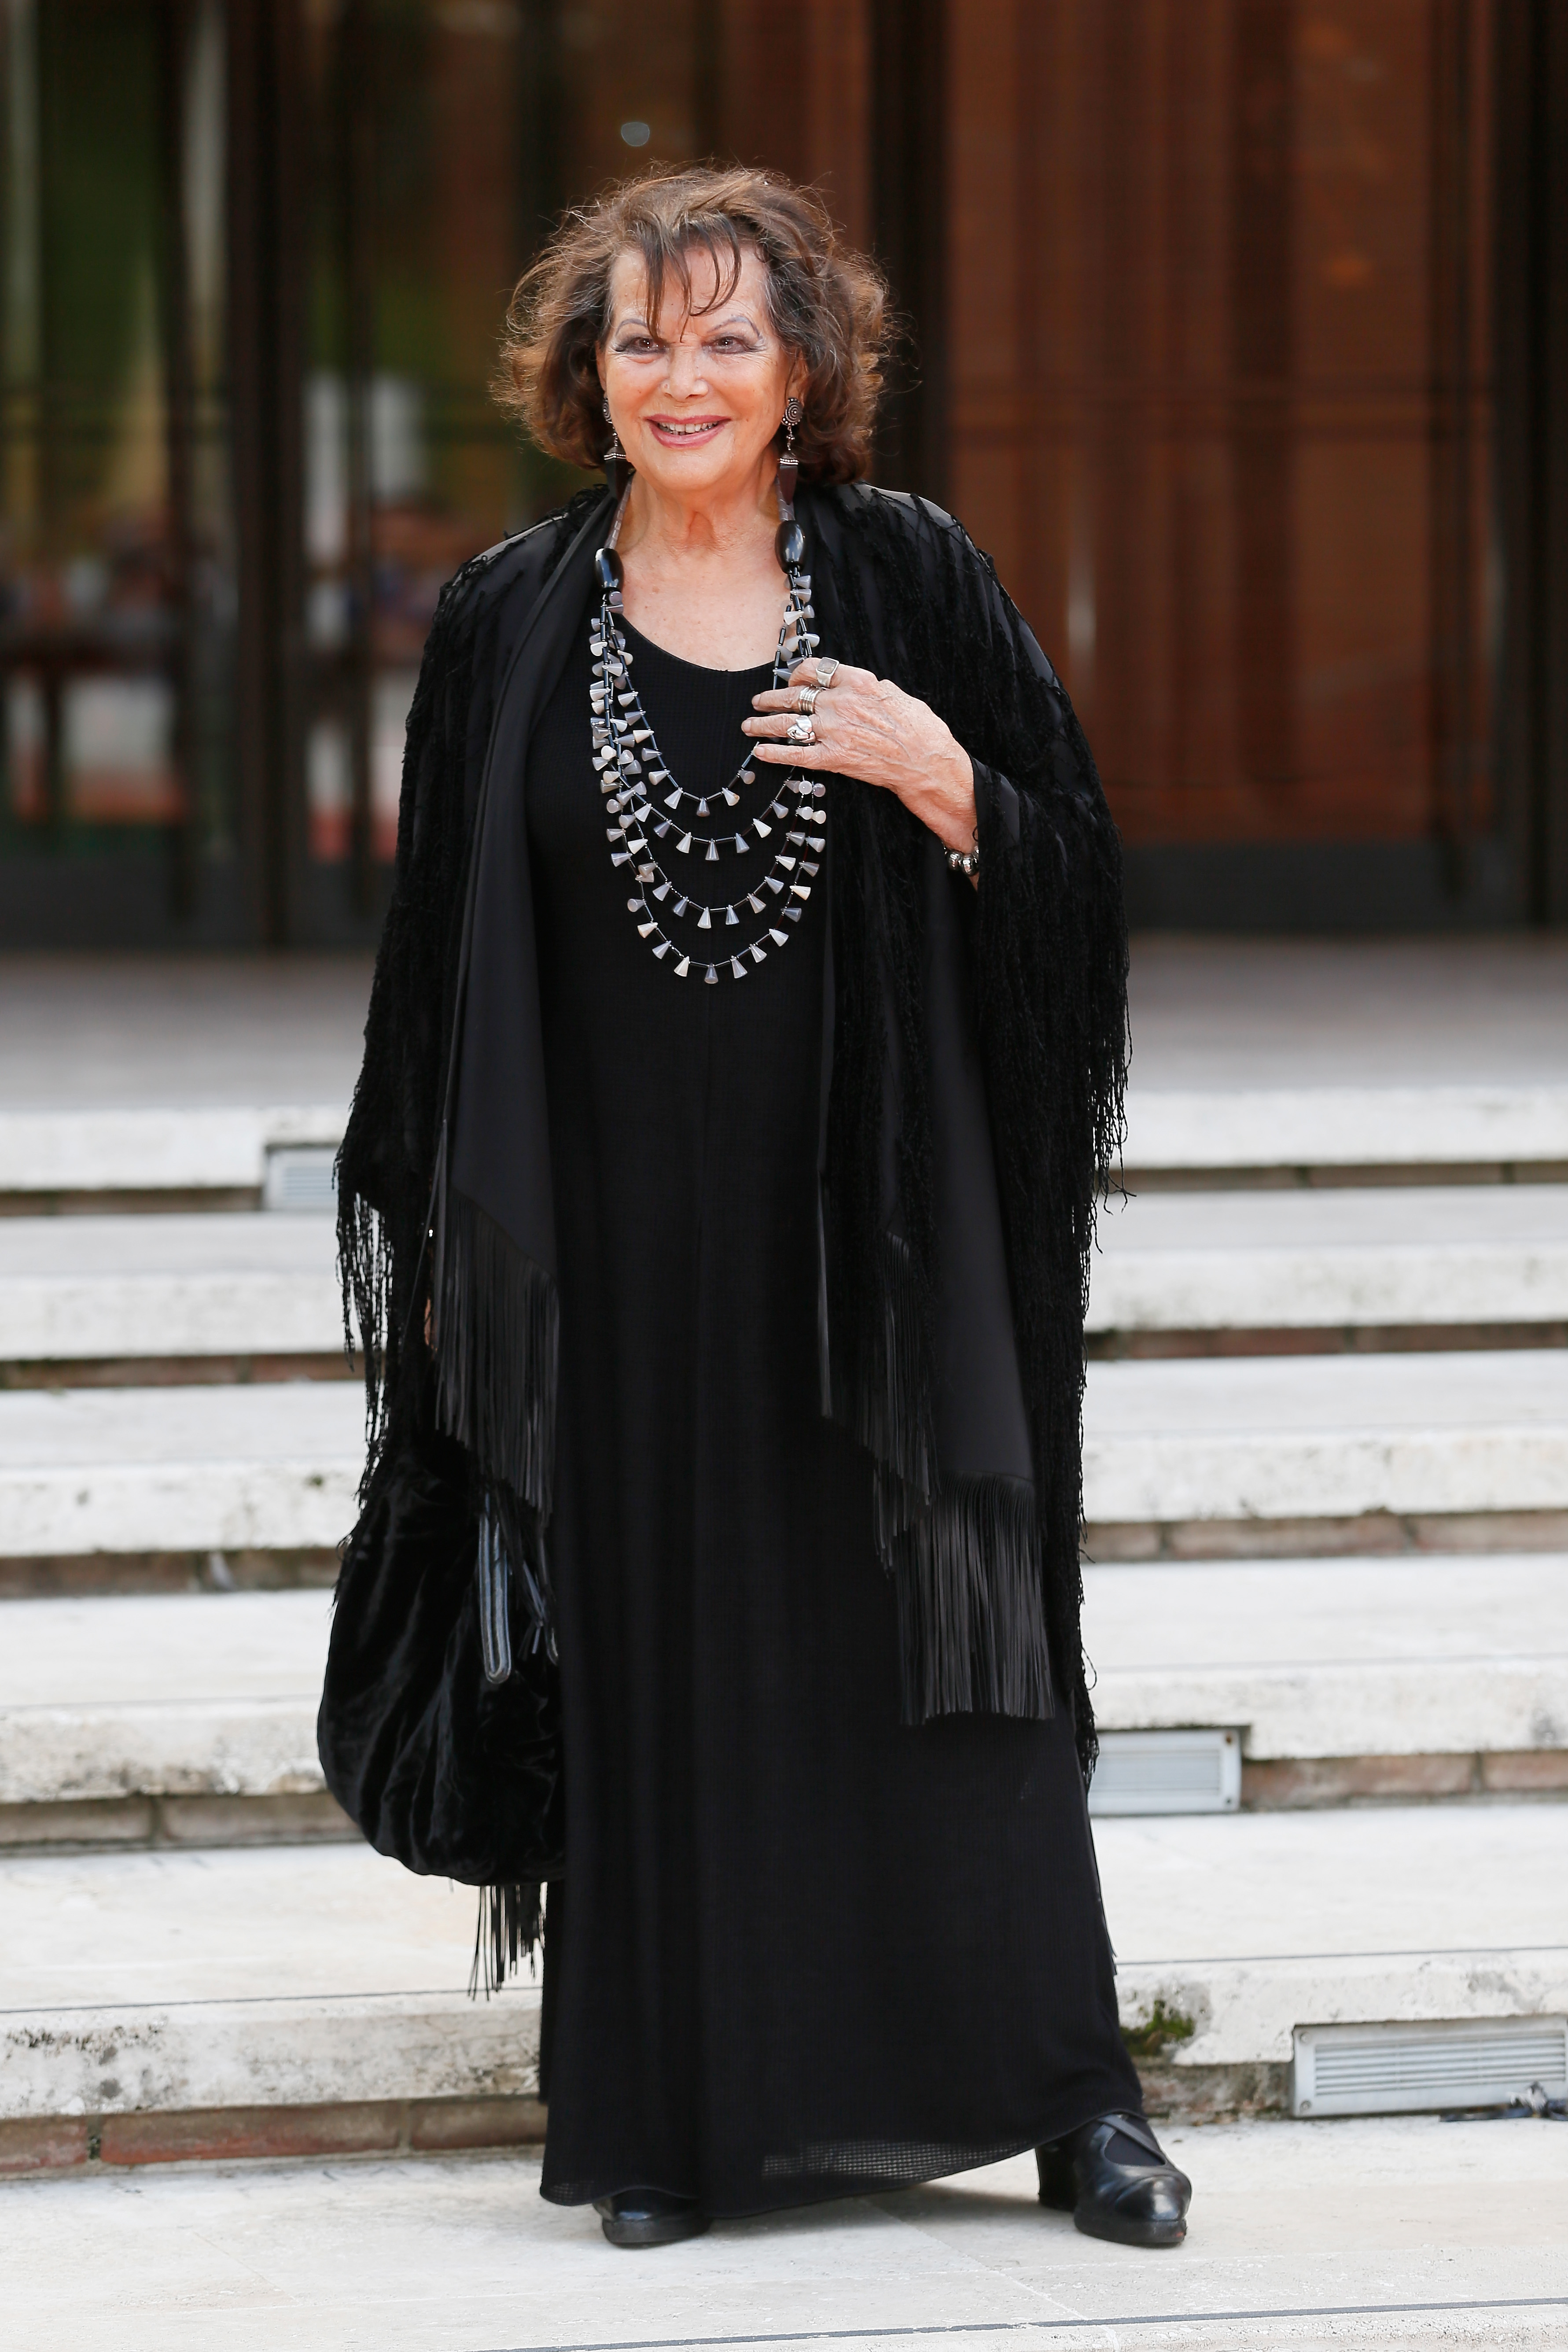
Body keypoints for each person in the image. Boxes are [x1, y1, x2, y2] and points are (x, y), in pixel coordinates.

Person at [326, 163, 1192, 2253]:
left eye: (728, 335)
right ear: (586, 373)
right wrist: (459, 1283)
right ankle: (668, 2113)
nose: (682, 375)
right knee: (666, 1661)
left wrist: (939, 771)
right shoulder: (513, 616)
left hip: (882, 1234)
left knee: (952, 1646)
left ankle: (1073, 2104)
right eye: (642, 338)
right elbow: (440, 973)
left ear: (803, 363)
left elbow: (1076, 889)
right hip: (615, 1258)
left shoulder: (905, 576)